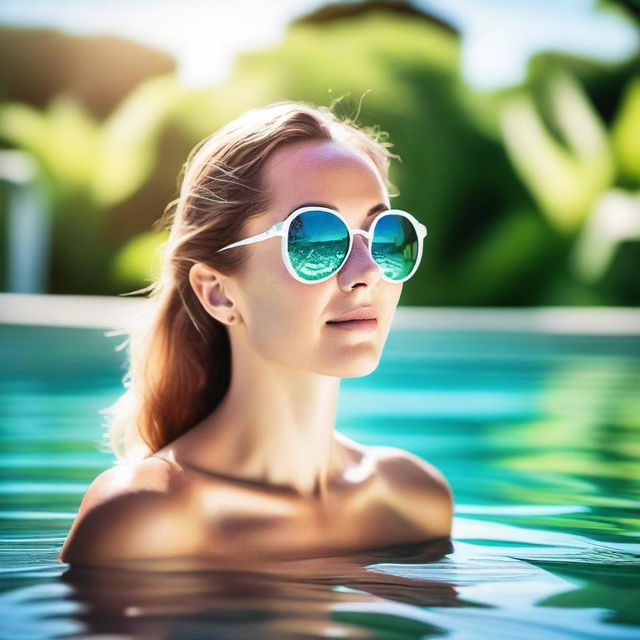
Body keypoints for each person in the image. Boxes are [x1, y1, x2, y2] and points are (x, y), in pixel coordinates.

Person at [57, 99, 453, 568]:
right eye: (315, 241)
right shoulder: (142, 519)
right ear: (219, 293)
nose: (366, 272)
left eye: (386, 236)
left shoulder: (412, 501)